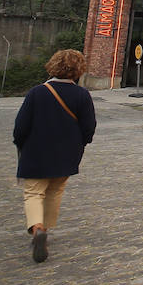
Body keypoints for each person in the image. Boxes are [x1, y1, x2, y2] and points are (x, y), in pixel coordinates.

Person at [13, 49, 96, 263]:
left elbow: (21, 126)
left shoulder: (37, 92)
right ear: (79, 70)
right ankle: (45, 229)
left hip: (36, 150)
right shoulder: (82, 95)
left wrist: (20, 143)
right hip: (67, 152)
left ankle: (37, 228)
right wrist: (80, 143)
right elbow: (89, 127)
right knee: (55, 191)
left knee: (33, 192)